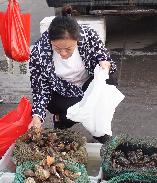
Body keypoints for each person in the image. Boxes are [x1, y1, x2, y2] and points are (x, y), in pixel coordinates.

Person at [28, 6, 117, 143]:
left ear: (77, 40)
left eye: (68, 48)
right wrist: (37, 117)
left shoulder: (88, 36)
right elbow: (40, 90)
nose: (63, 53)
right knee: (70, 114)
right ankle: (61, 121)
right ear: (50, 41)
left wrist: (104, 63)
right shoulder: (39, 53)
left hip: (88, 84)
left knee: (108, 83)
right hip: (62, 91)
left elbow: (103, 57)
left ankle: (99, 131)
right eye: (57, 48)